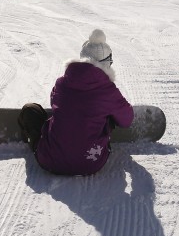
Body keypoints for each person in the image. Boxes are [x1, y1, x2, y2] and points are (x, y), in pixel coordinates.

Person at [18, 29, 134, 176]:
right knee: (109, 115)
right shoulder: (108, 90)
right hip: (91, 163)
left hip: (50, 160)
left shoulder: (61, 83)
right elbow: (127, 120)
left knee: (30, 109)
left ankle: (33, 136)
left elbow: (54, 102)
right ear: (107, 64)